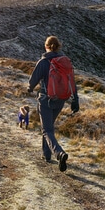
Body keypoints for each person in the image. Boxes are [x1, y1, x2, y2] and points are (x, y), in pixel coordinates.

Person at [27, 36, 79, 172]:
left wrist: (30, 88)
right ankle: (46, 155)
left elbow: (33, 80)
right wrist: (75, 99)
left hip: (46, 100)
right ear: (59, 46)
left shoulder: (44, 62)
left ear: (46, 46)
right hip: (60, 100)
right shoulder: (65, 62)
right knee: (49, 128)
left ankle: (59, 153)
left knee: (47, 130)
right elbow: (72, 81)